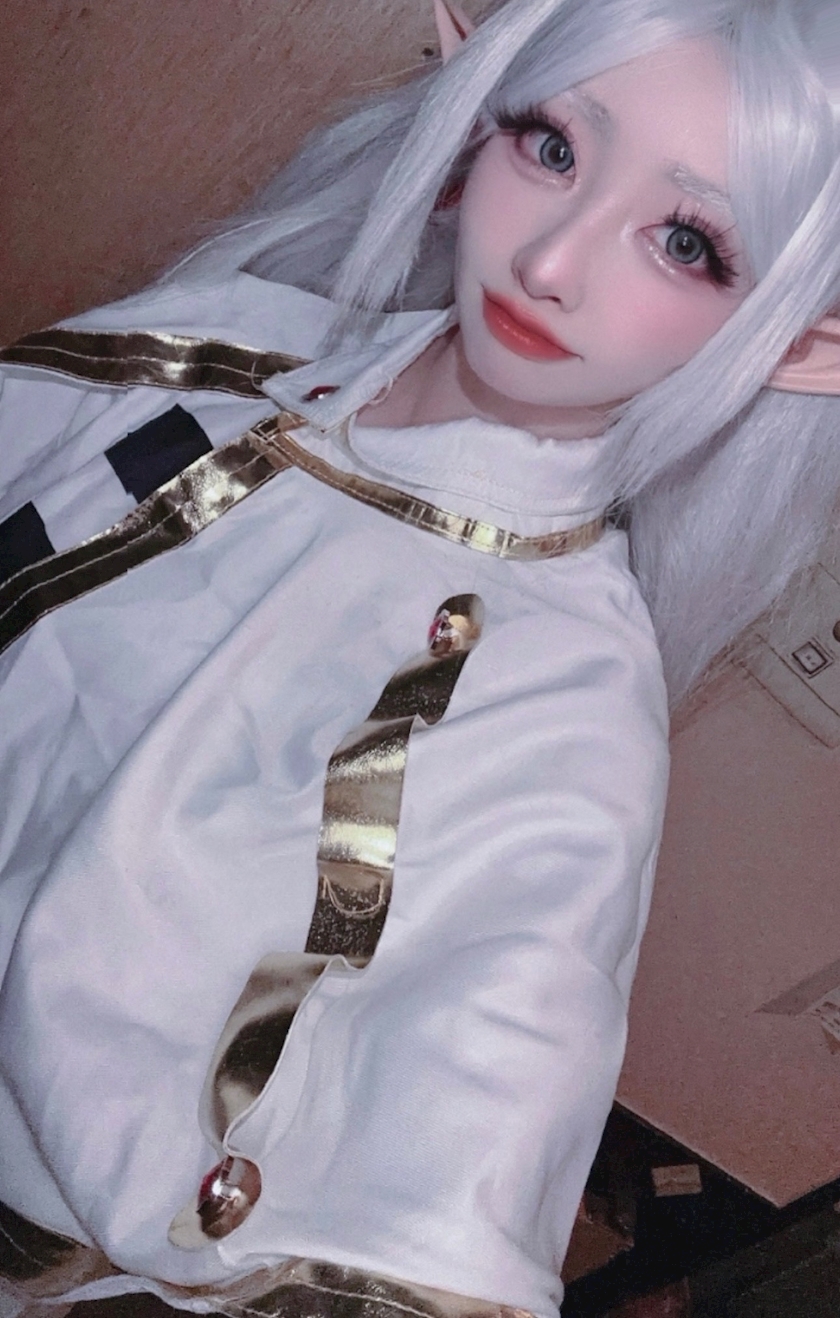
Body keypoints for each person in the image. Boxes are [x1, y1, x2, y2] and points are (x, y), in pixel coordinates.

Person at [1, 0, 839, 1315]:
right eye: (553, 146)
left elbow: (480, 1088)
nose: (552, 260)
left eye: (685, 242)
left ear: (802, 343)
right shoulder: (236, 339)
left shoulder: (562, 704)